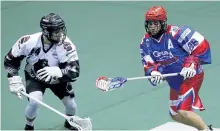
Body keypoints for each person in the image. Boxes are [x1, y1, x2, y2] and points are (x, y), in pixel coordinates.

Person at [140, 6, 213, 131]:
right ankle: (205, 128)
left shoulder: (178, 33)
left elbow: (202, 45)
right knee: (175, 114)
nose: (152, 26)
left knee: (183, 110)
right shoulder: (145, 42)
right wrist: (154, 72)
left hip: (191, 76)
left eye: (155, 23)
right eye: (150, 23)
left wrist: (192, 63)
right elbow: (148, 63)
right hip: (174, 80)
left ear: (163, 23)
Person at [4, 13, 80, 130]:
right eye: (56, 31)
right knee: (35, 102)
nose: (60, 34)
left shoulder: (66, 45)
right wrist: (13, 79)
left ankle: (69, 122)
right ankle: (29, 126)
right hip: (34, 76)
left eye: (61, 29)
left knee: (71, 106)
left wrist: (59, 72)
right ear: (46, 31)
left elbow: (75, 71)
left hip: (57, 78)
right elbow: (10, 61)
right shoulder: (28, 41)